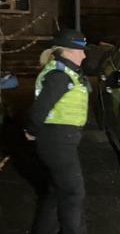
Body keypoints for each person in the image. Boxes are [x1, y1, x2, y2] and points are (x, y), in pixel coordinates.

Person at [24, 29, 90, 234]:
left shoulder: (66, 72)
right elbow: (39, 109)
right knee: (73, 193)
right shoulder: (59, 75)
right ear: (69, 51)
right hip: (57, 141)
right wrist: (31, 131)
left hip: (58, 140)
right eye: (81, 51)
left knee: (57, 192)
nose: (85, 55)